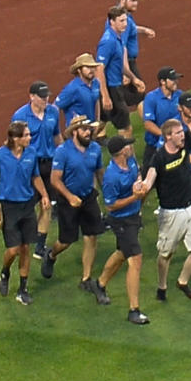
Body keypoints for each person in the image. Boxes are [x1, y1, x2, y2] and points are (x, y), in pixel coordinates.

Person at [138, 76, 191, 302]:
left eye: (182, 133)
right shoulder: (159, 157)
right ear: (167, 137)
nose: (182, 136)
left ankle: (182, 281)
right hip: (171, 213)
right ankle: (162, 286)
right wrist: (142, 186)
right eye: (178, 134)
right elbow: (149, 180)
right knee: (165, 255)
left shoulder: (185, 145)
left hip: (190, 207)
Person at [41, 115, 107, 298]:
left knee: (91, 236)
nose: (89, 132)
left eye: (90, 129)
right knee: (66, 240)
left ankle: (86, 278)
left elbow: (100, 173)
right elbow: (55, 179)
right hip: (67, 200)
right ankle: (51, 255)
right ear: (75, 132)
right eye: (85, 129)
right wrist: (70, 197)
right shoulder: (63, 151)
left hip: (88, 197)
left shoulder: (95, 149)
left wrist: (108, 195)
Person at [0, 121, 50, 305]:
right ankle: (5, 272)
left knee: (25, 248)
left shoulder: (31, 153)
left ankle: (23, 289)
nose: (30, 138)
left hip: (27, 205)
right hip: (9, 207)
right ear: (16, 138)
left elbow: (35, 176)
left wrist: (44, 195)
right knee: (13, 249)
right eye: (27, 135)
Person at [95, 135, 151, 325]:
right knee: (135, 259)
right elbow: (110, 206)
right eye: (128, 146)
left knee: (121, 253)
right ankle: (133, 310)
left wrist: (140, 183)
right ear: (120, 151)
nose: (131, 147)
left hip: (133, 218)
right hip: (121, 221)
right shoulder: (111, 177)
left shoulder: (131, 160)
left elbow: (137, 174)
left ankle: (100, 284)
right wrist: (134, 198)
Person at [12, 81, 62, 259]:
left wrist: (63, 155)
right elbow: (15, 145)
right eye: (41, 97)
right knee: (26, 204)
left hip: (49, 163)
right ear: (31, 97)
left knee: (46, 204)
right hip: (30, 166)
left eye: (47, 96)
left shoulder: (53, 112)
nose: (45, 99)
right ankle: (18, 238)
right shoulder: (20, 116)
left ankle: (40, 245)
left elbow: (57, 135)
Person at [96, 6, 146, 138]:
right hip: (112, 89)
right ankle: (127, 158)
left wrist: (133, 78)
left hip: (116, 86)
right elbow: (99, 69)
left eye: (125, 21)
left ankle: (80, 144)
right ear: (112, 22)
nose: (125, 24)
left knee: (102, 119)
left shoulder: (117, 38)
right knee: (126, 128)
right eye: (121, 21)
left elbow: (120, 65)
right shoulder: (108, 41)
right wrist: (105, 95)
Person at [112, 0, 156, 84]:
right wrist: (126, 72)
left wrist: (144, 30)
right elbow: (121, 46)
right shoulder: (123, 19)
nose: (136, 3)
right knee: (137, 95)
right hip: (124, 63)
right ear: (123, 0)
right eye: (132, 0)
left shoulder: (121, 15)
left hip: (125, 63)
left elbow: (131, 28)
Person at [141, 66, 182, 171]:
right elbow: (148, 124)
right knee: (148, 179)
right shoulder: (151, 98)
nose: (176, 82)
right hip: (154, 146)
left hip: (175, 144)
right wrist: (165, 135)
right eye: (172, 79)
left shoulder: (180, 95)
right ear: (163, 82)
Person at [55, 52, 102, 129]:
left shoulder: (96, 83)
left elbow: (96, 101)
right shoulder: (72, 88)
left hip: (91, 128)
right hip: (77, 132)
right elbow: (55, 106)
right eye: (87, 67)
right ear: (79, 70)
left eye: (92, 67)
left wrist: (97, 121)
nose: (91, 70)